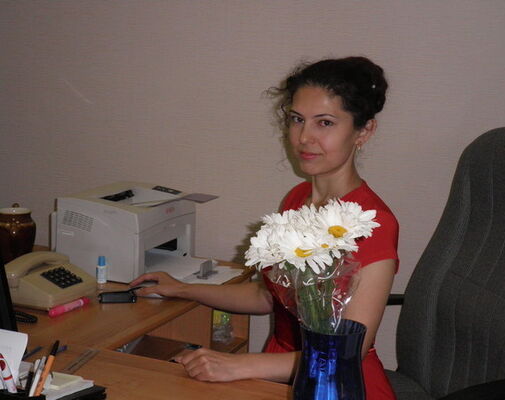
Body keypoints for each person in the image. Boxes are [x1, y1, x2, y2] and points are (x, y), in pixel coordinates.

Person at [130, 56, 399, 399]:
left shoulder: (375, 223)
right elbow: (266, 297)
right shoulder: (297, 199)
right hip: (277, 370)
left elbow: (349, 353)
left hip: (334, 385)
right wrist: (182, 289)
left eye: (325, 123)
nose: (304, 137)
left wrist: (237, 365)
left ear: (364, 131)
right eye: (297, 119)